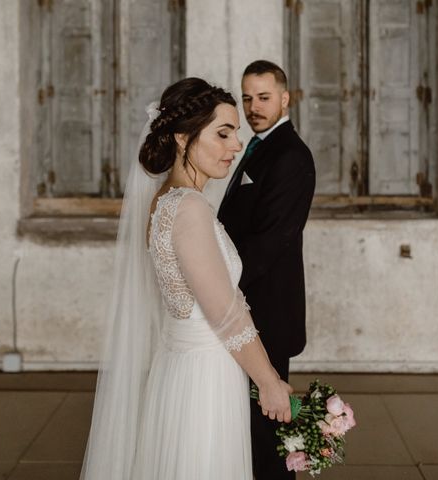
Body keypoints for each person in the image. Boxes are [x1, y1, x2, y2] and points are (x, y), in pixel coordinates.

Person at [81, 77, 293, 480]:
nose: (235, 145)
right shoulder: (190, 208)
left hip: (182, 364)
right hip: (205, 376)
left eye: (237, 134)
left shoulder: (166, 200)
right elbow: (225, 312)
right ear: (183, 138)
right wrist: (269, 382)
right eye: (223, 133)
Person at [218, 60, 316, 479]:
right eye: (246, 98)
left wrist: (219, 283)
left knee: (268, 428)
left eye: (263, 97)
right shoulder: (258, 145)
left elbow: (271, 240)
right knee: (254, 427)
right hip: (247, 308)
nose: (253, 106)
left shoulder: (290, 155)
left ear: (285, 98)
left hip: (266, 313)